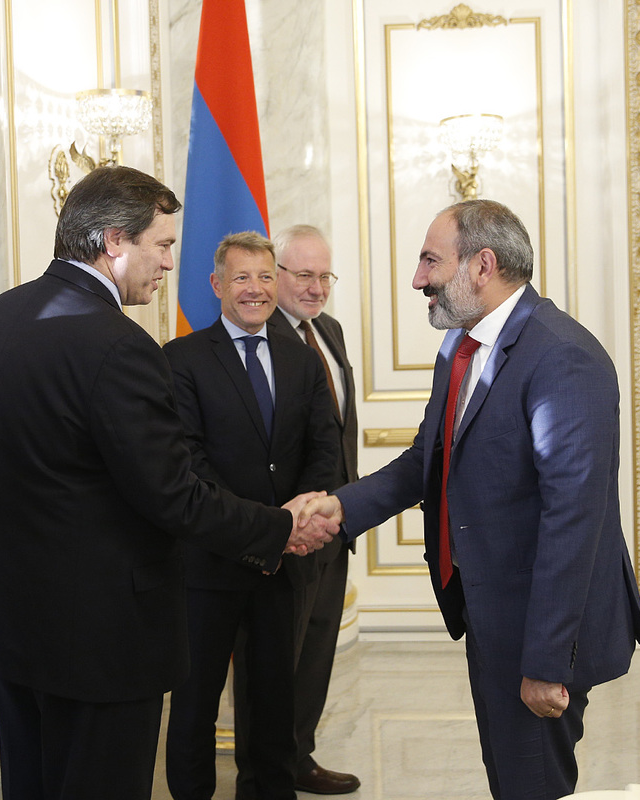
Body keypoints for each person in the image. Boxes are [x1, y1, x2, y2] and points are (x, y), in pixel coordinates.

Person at [0, 166, 336, 800]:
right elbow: (173, 494)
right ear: (114, 241)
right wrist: (279, 527)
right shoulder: (118, 344)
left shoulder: (3, 314)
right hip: (101, 632)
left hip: (16, 619)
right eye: (161, 245)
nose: (168, 263)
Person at [299, 200, 640, 800]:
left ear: (483, 265)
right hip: (490, 609)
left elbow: (573, 520)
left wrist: (546, 661)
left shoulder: (563, 356)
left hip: (540, 624)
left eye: (430, 261)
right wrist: (343, 506)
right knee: (510, 777)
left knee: (531, 784)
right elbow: (427, 460)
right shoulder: (460, 347)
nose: (418, 279)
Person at [162, 232, 341, 800]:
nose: (255, 289)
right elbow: (189, 464)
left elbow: (324, 451)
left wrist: (301, 520)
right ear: (217, 285)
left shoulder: (302, 359)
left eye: (265, 277)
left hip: (283, 568)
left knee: (274, 702)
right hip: (209, 564)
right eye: (241, 277)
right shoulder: (182, 359)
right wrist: (267, 528)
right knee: (195, 703)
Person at [265, 224, 361, 795]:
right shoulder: (260, 334)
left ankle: (299, 755)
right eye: (304, 275)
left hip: (337, 522)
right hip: (290, 526)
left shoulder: (330, 330)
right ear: (274, 274)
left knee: (319, 644)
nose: (317, 287)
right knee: (282, 653)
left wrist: (347, 508)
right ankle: (273, 767)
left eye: (325, 276)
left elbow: (339, 430)